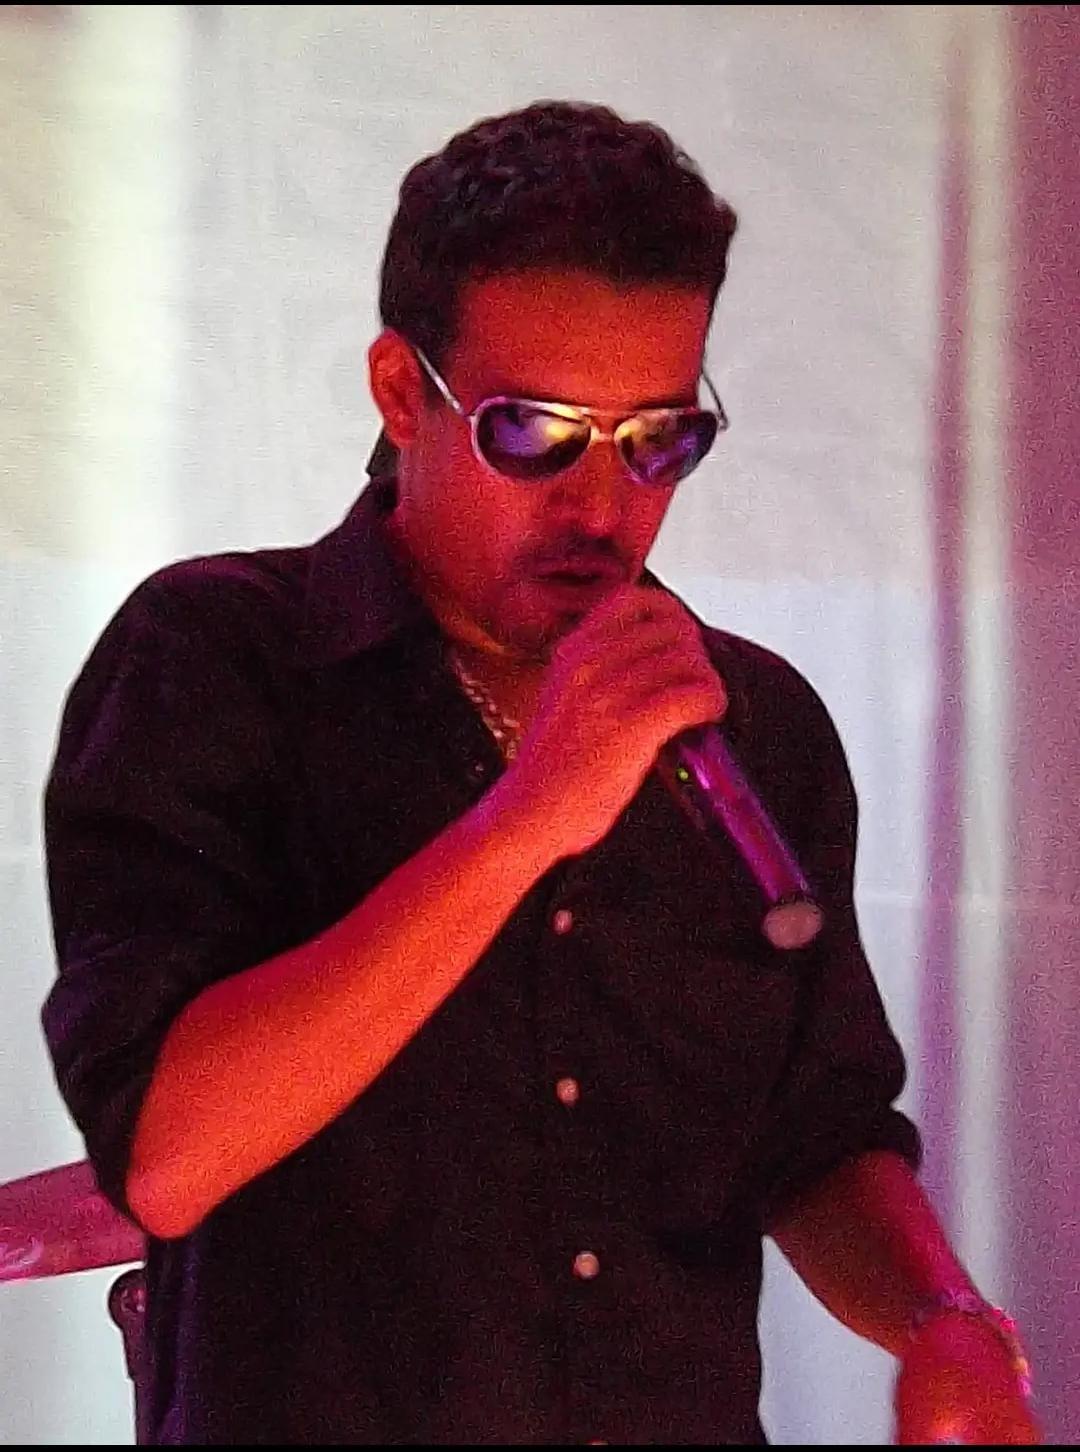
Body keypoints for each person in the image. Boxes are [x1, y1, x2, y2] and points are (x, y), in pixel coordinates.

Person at [41, 101, 1038, 1446]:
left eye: (658, 441)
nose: (600, 505)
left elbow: (819, 1133)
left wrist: (943, 1319)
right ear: (403, 394)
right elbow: (168, 1157)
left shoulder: (757, 725)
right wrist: (528, 817)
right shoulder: (215, 659)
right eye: (535, 434)